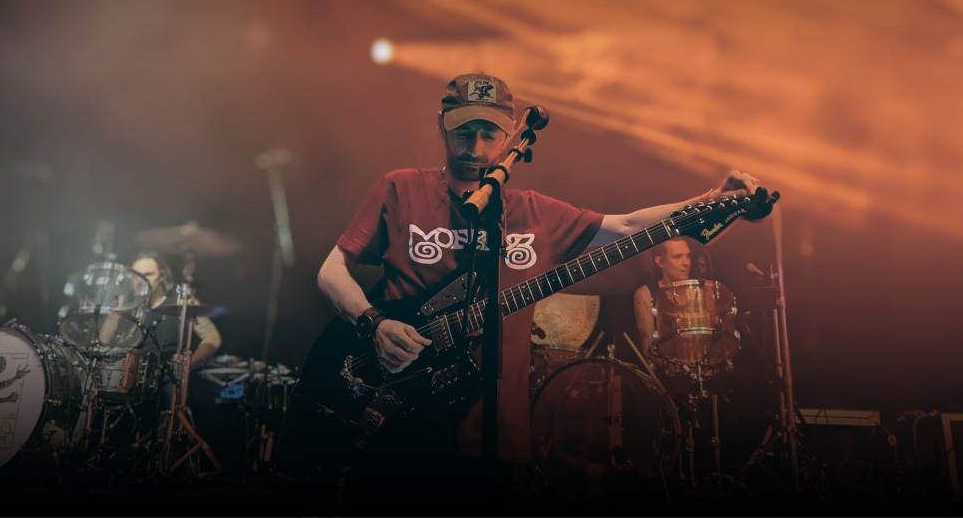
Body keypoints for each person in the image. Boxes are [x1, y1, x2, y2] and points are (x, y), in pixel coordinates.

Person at [304, 71, 763, 499]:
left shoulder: (533, 213)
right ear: (442, 125)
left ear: (509, 138)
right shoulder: (400, 189)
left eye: (489, 135)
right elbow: (331, 272)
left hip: (493, 431)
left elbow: (626, 225)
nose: (475, 147)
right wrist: (374, 323)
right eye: (464, 132)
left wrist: (710, 200)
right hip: (396, 422)